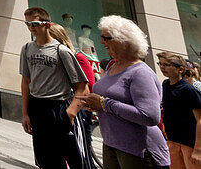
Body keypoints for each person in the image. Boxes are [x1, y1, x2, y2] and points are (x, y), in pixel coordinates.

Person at [79, 15, 170, 168]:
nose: (101, 41)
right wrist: (95, 104)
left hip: (138, 150)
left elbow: (150, 116)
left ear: (125, 43)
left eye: (106, 38)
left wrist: (104, 103)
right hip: (112, 143)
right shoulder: (111, 66)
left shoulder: (141, 73)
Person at [20, 7, 89, 169]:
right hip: (37, 106)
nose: (31, 27)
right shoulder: (27, 49)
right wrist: (25, 113)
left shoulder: (62, 51)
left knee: (72, 156)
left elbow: (81, 86)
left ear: (47, 25)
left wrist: (71, 112)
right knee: (45, 157)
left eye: (35, 23)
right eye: (28, 23)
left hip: (58, 106)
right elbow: (25, 81)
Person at [49, 23, 98, 169]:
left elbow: (88, 86)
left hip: (77, 110)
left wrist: (72, 111)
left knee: (80, 153)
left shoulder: (78, 57)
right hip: (59, 108)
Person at [157, 52, 201, 169]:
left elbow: (200, 119)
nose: (162, 67)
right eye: (160, 64)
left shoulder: (188, 90)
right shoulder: (166, 84)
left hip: (190, 143)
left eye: (166, 65)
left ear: (180, 69)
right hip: (173, 141)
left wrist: (198, 149)